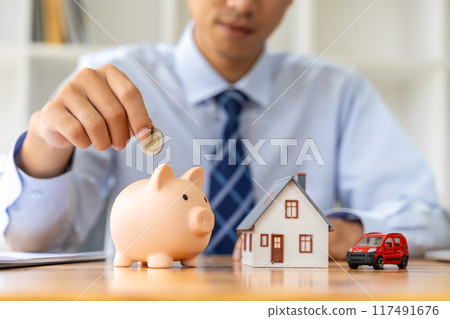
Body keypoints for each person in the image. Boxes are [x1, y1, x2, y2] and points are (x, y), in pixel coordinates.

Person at [0, 0, 449, 260]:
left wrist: (348, 231)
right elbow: (28, 245)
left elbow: (428, 215)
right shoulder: (112, 78)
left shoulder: (339, 91)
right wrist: (43, 148)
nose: (241, 5)